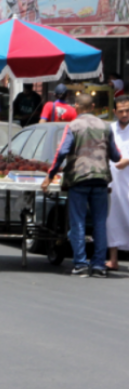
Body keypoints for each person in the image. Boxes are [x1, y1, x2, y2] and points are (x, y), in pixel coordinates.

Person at [42, 94, 129, 277]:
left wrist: (50, 175)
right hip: (101, 180)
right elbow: (115, 154)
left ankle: (80, 264)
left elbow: (61, 152)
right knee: (99, 223)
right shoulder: (106, 127)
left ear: (76, 107)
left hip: (79, 179)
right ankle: (98, 266)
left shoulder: (73, 126)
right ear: (94, 106)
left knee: (78, 222)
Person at [108, 95, 129, 270]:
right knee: (112, 219)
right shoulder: (109, 129)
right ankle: (113, 260)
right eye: (121, 111)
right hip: (112, 183)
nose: (125, 114)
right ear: (114, 112)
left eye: (127, 110)